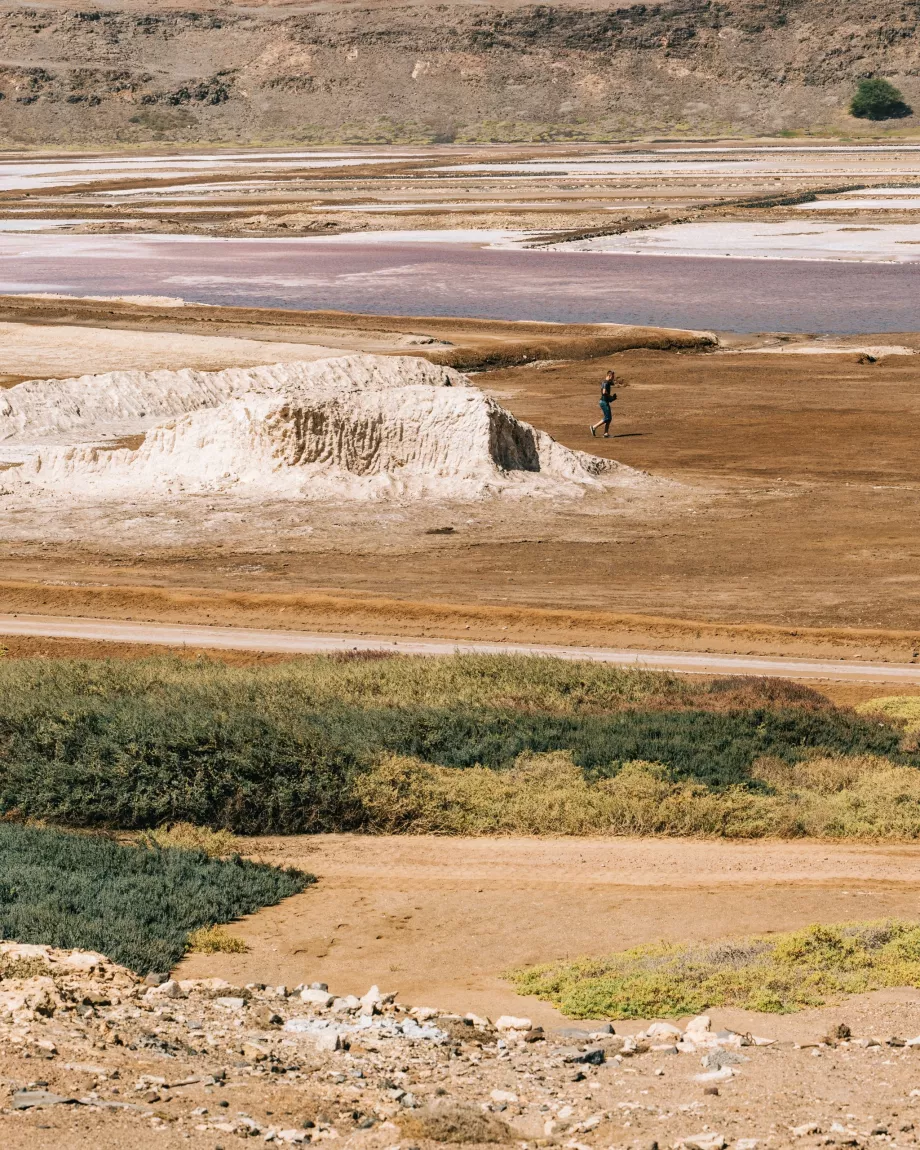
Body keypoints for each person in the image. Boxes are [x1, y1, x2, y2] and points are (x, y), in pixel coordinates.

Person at [590, 370, 617, 438]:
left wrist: (611, 399)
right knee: (608, 418)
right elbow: (604, 392)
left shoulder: (605, 382)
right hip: (604, 402)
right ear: (609, 376)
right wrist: (611, 397)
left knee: (609, 418)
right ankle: (594, 427)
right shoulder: (605, 382)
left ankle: (606, 433)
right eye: (612, 377)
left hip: (604, 402)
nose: (613, 378)